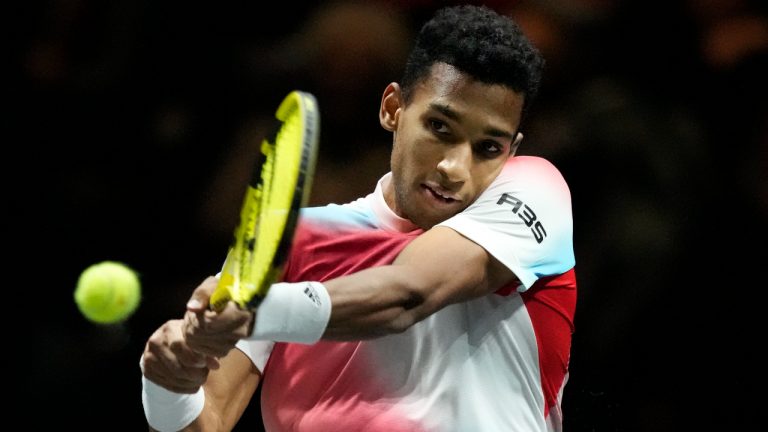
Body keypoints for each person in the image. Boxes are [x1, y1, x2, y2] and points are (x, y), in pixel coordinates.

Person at [141, 5, 576, 431]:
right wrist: (168, 388)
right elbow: (209, 419)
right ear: (393, 108)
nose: (455, 168)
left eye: (489, 148)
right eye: (440, 127)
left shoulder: (536, 191)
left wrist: (256, 308)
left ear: (513, 149)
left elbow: (408, 293)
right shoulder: (292, 238)